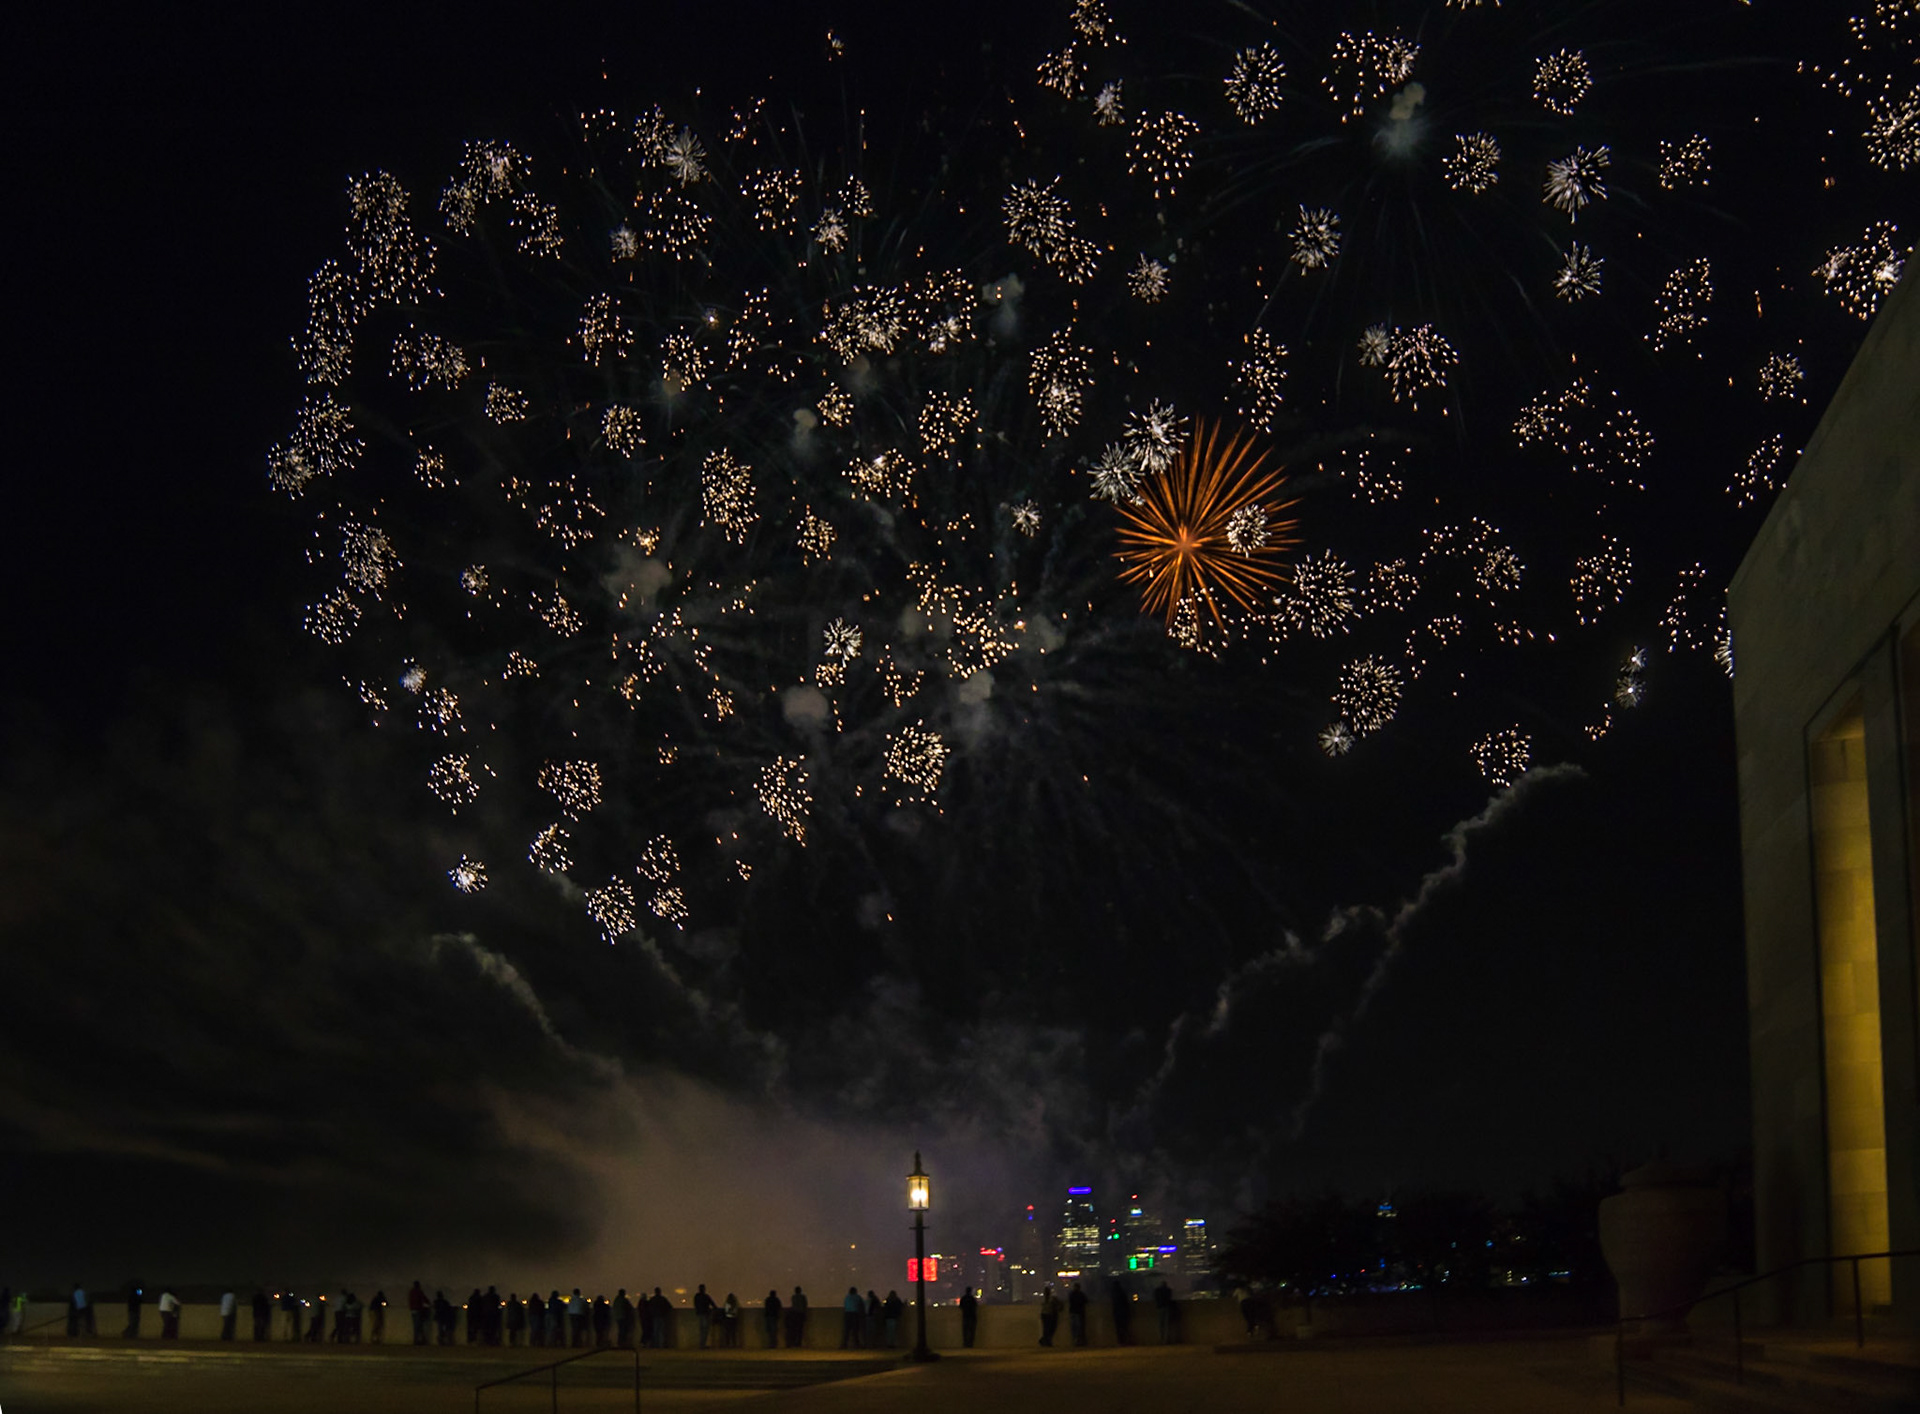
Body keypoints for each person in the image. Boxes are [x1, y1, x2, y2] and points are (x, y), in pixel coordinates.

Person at [1109, 1279, 1132, 1345]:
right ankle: (1125, 1341)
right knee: (1124, 1328)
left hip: (1117, 1313)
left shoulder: (1113, 1294)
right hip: (1123, 1312)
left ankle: (1121, 1341)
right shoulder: (1122, 1292)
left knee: (1119, 1328)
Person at [1152, 1279, 1175, 1344]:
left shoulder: (1158, 1291)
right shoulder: (1168, 1291)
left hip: (1160, 1308)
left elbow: (1156, 1298)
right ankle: (1166, 1340)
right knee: (1166, 1324)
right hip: (1166, 1307)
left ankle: (1161, 1339)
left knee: (1161, 1325)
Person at [693, 1284, 714, 1348]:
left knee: (702, 1329)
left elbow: (695, 1304)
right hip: (705, 1314)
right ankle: (703, 1344)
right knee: (705, 1330)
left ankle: (702, 1344)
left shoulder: (697, 1296)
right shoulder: (706, 1296)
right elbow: (712, 1304)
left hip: (700, 1314)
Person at [1067, 1282, 1088, 1346]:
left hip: (1073, 1312)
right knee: (1079, 1328)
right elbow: (1086, 1301)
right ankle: (1079, 1341)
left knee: (1074, 1328)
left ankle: (1075, 1341)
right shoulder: (1081, 1294)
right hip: (1079, 1313)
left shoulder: (1072, 1294)